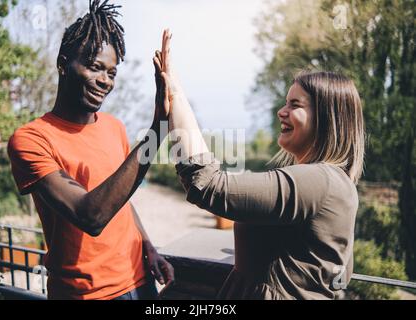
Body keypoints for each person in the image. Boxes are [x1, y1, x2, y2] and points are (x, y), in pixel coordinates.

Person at [155, 30, 365, 299]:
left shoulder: (318, 180)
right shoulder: (336, 182)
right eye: (285, 102)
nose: (282, 111)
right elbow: (338, 272)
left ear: (326, 119)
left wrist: (175, 93)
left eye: (295, 104)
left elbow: (207, 185)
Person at [7, 1, 173, 300]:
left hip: (139, 282)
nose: (104, 81)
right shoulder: (31, 139)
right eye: (95, 67)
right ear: (63, 64)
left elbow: (119, 197)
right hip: (85, 294)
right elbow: (91, 215)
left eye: (111, 72)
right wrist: (158, 128)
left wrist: (148, 247)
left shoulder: (114, 127)